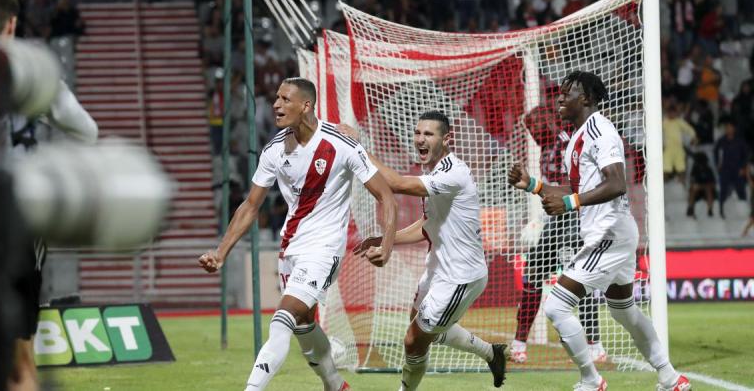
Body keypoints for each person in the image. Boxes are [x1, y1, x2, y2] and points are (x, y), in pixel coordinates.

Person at [199, 77, 397, 391]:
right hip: (289, 248)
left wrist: (386, 244)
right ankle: (335, 385)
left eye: (284, 99)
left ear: (306, 105)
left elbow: (386, 195)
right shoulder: (275, 149)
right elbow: (251, 204)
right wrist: (221, 251)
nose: (276, 105)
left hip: (324, 248)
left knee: (283, 318)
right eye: (276, 98)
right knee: (304, 324)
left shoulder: (341, 143)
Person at [508, 71, 690, 391]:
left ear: (587, 99)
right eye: (559, 93)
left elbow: (616, 183)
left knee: (557, 305)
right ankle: (670, 377)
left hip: (608, 234)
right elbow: (577, 188)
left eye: (568, 93)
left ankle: (592, 380)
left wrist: (571, 202)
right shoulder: (576, 139)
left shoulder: (601, 131)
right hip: (611, 233)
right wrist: (534, 185)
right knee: (624, 312)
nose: (560, 99)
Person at [0, 0, 98, 390]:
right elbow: (86, 131)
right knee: (21, 349)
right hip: (16, 215)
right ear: (13, 23)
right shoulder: (35, 73)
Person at [340, 111, 507, 390]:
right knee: (422, 331)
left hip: (460, 277)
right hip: (437, 267)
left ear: (447, 139)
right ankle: (492, 353)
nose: (420, 139)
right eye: (418, 133)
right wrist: (385, 240)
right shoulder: (433, 171)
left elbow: (396, 184)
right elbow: (428, 226)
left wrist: (357, 147)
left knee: (413, 341)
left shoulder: (453, 173)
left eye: (428, 134)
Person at [512, 102, 605, 364]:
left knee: (579, 280)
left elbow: (576, 184)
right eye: (529, 129)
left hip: (577, 220)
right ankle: (519, 342)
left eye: (535, 126)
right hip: (555, 221)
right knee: (532, 275)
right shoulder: (546, 149)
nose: (532, 132)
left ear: (547, 122)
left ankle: (594, 344)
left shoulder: (567, 142)